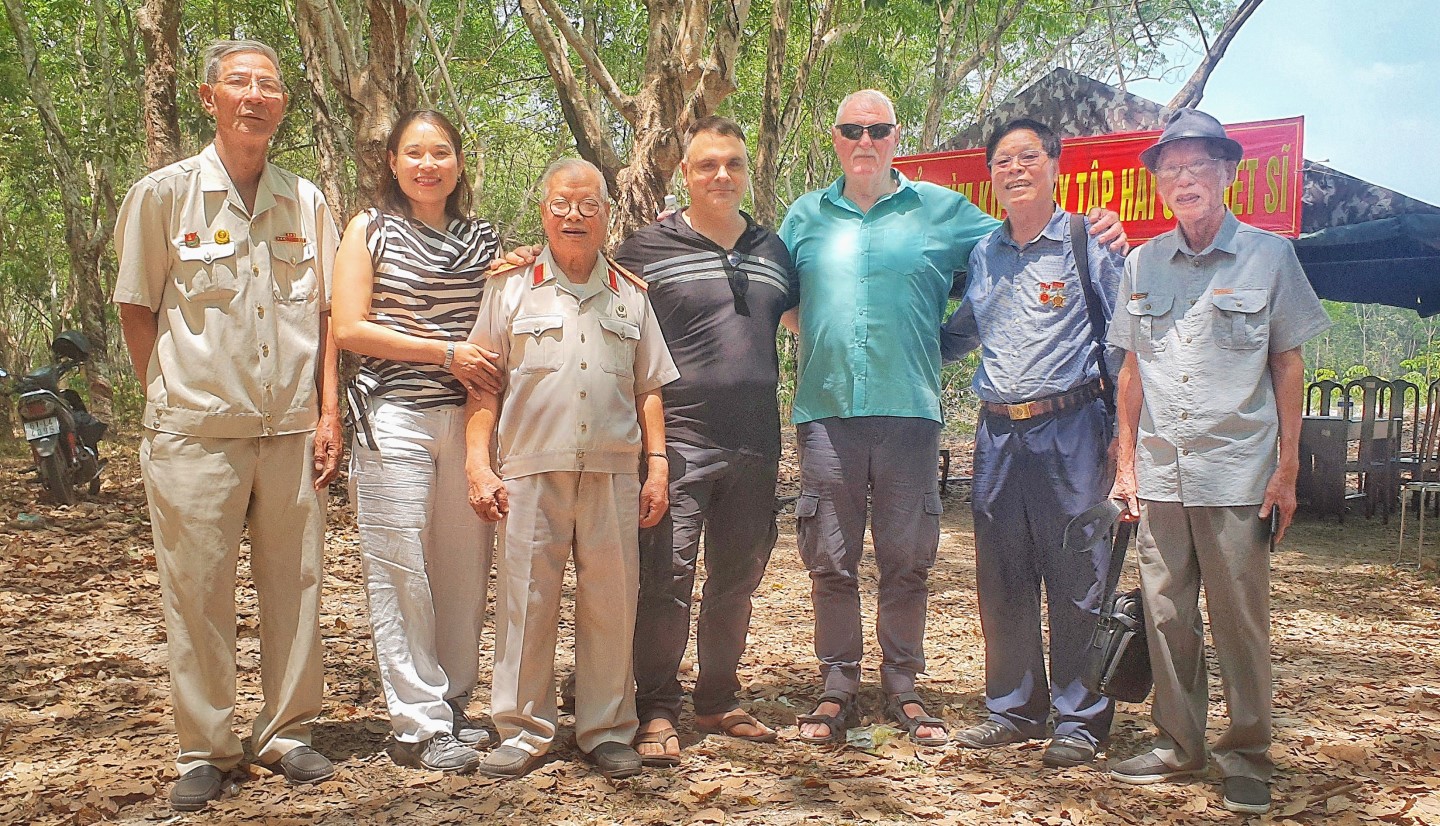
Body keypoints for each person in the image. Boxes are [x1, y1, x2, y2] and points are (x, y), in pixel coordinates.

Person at [779, 89, 1126, 746]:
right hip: (831, 414)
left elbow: (1049, 262)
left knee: (919, 561)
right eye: (851, 128)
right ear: (834, 136)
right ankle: (846, 687)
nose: (865, 139)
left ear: (895, 136)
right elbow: (772, 295)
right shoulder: (804, 216)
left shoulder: (946, 212)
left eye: (878, 129)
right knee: (841, 561)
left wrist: (1102, 223)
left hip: (929, 417)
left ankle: (912, 687)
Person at [113, 39, 342, 812]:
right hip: (194, 432)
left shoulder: (305, 201)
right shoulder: (164, 195)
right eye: (238, 83)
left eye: (268, 85)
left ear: (282, 103)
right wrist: (169, 396)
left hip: (289, 430)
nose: (254, 96)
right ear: (208, 97)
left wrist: (329, 411)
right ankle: (205, 746)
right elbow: (137, 308)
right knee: (198, 591)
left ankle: (286, 732)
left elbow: (327, 315)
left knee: (297, 585)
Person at [1106, 109, 1330, 815]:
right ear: (1159, 184)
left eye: (1199, 166)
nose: (1184, 179)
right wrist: (1126, 465)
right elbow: (1130, 372)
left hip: (1238, 474)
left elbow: (1288, 366)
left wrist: (1288, 468)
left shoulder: (1269, 255)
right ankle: (1179, 744)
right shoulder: (1141, 263)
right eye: (1171, 169)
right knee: (1167, 616)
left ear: (1227, 174)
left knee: (1239, 621)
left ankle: (1247, 755)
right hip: (1162, 475)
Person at [464, 159, 679, 780]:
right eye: (562, 204)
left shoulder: (631, 296)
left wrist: (657, 466)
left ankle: (607, 727)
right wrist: (479, 464)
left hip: (614, 470)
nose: (574, 216)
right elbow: (483, 388)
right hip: (530, 469)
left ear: (608, 214)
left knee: (612, 601)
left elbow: (649, 390)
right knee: (526, 601)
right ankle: (522, 727)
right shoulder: (506, 289)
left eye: (588, 205)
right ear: (543, 211)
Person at [611, 117, 797, 766]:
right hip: (678, 444)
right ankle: (656, 708)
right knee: (667, 576)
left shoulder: (775, 253)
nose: (722, 175)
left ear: (747, 172)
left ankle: (718, 698)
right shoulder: (644, 249)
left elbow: (809, 322)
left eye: (734, 165)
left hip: (757, 445)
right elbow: (591, 301)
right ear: (684, 174)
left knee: (738, 579)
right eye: (707, 165)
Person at [940, 118, 1124, 766]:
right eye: (1002, 161)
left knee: (1080, 575)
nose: (1014, 169)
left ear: (1053, 165)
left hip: (1072, 428)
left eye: (1027, 157)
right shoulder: (984, 253)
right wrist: (897, 342)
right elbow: (963, 332)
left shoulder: (1086, 240)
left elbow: (1125, 343)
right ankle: (1014, 710)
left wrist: (1124, 448)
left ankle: (1080, 721)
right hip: (996, 433)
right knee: (1003, 577)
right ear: (990, 175)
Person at [331, 110, 504, 774]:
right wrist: (445, 352)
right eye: (415, 153)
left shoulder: (483, 236)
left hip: (467, 422)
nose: (428, 164)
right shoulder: (368, 229)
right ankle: (417, 720)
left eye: (441, 152)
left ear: (459, 163)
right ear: (393, 163)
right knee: (401, 569)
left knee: (463, 571)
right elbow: (349, 327)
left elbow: (498, 319)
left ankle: (455, 704)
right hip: (391, 413)